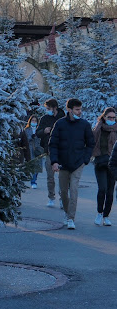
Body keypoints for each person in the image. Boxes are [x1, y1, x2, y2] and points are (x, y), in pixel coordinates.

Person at [48, 98, 94, 230]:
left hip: (78, 164)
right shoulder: (60, 124)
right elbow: (53, 144)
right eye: (77, 109)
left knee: (73, 190)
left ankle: (70, 218)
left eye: (80, 109)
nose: (79, 112)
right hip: (63, 164)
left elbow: (90, 144)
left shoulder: (85, 125)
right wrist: (54, 161)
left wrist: (85, 159)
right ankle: (67, 213)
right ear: (69, 110)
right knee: (63, 192)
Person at [35, 98, 65, 207]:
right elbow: (38, 132)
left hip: (62, 151)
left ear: (54, 108)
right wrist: (44, 131)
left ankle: (63, 198)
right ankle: (51, 197)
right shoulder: (44, 118)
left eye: (48, 108)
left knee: (62, 177)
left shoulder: (63, 118)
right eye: (46, 108)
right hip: (49, 151)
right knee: (50, 176)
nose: (47, 110)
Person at [92, 107, 117, 226]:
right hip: (100, 163)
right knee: (102, 189)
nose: (112, 119)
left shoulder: (116, 130)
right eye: (109, 117)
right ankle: (99, 213)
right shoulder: (98, 129)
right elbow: (92, 142)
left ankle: (106, 216)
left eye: (114, 117)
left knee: (110, 192)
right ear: (104, 117)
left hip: (113, 165)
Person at [24, 114, 43, 188]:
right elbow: (24, 139)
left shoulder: (39, 129)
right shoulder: (27, 129)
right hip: (30, 149)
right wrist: (31, 137)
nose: (34, 122)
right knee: (32, 166)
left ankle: (34, 179)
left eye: (35, 121)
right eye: (33, 120)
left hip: (38, 149)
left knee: (37, 166)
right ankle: (33, 181)